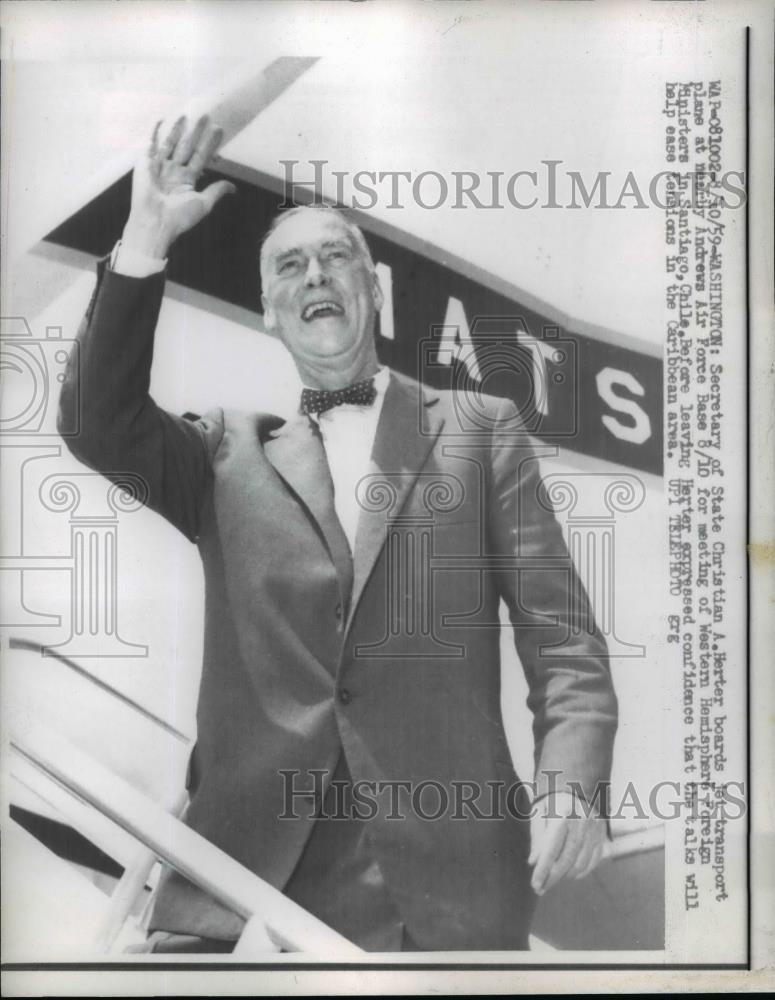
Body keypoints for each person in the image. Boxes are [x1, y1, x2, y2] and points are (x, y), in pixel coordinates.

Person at [58, 115, 618, 952]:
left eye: (336, 257)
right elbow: (98, 422)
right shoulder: (222, 452)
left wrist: (569, 783)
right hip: (238, 893)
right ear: (271, 315)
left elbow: (563, 642)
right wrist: (146, 238)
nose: (314, 274)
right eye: (289, 266)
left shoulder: (479, 429)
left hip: (445, 898)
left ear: (375, 291)